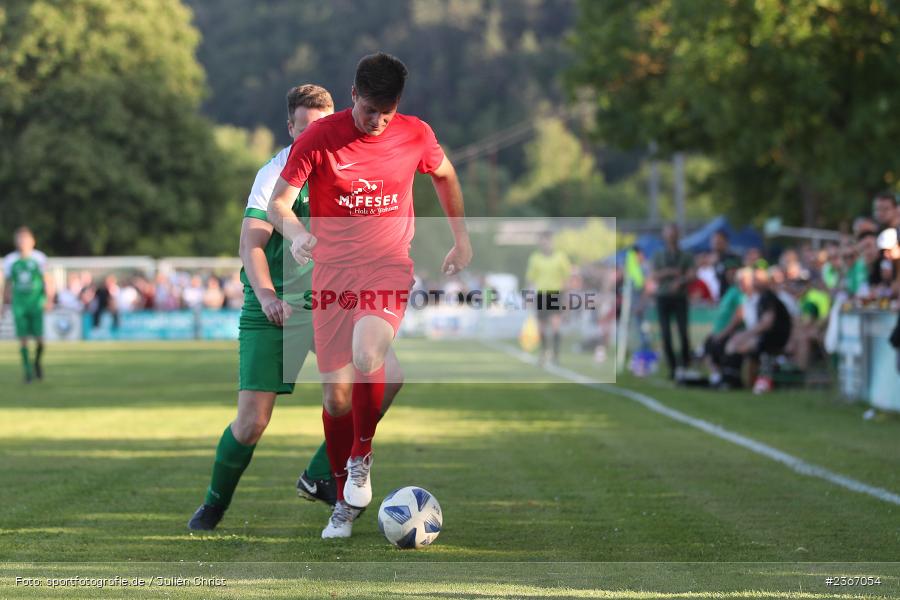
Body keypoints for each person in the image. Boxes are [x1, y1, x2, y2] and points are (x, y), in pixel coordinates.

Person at [268, 53, 472, 538]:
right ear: (353, 95)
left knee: (368, 353)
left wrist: (460, 237)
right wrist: (296, 233)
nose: (377, 121)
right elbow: (278, 203)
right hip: (332, 275)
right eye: (368, 110)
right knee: (336, 398)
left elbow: (444, 174)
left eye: (387, 110)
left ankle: (361, 455)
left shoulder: (415, 134)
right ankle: (342, 499)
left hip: (386, 265)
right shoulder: (319, 138)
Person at [188, 84, 408, 531]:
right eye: (305, 127)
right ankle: (214, 503)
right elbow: (251, 244)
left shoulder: (351, 168)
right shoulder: (274, 175)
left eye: (324, 124)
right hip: (276, 307)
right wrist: (267, 295)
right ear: (290, 129)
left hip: (333, 302)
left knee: (387, 380)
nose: (315, 134)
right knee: (251, 424)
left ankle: (318, 475)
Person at [725, 269, 792, 394]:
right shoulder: (758, 299)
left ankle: (739, 380)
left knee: (741, 345)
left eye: (758, 280)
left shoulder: (768, 297)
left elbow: (766, 324)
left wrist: (745, 335)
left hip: (775, 338)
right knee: (734, 343)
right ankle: (732, 378)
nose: (755, 283)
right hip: (767, 337)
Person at [1, 227, 53, 383]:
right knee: (23, 338)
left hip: (36, 303)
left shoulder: (39, 258)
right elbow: (8, 284)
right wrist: (4, 304)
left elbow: (48, 280)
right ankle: (27, 372)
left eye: (25, 239)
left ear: (32, 241)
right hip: (19, 304)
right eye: (19, 239)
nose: (22, 243)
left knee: (40, 340)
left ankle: (37, 362)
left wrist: (49, 299)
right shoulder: (11, 260)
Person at [651, 223, 694, 380]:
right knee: (666, 333)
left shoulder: (686, 256)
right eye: (668, 233)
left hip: (680, 298)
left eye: (673, 233)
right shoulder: (658, 255)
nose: (671, 236)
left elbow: (691, 274)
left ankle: (685, 364)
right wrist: (669, 272)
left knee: (683, 332)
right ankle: (673, 366)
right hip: (663, 298)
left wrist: (680, 281)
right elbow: (654, 275)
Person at [525, 230, 572, 365]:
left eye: (547, 241)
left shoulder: (560, 257)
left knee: (556, 324)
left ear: (551, 241)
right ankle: (544, 352)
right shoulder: (535, 258)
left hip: (555, 293)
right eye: (542, 241)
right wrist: (529, 295)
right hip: (541, 294)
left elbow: (567, 277)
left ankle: (556, 355)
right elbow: (530, 278)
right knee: (541, 327)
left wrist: (566, 295)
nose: (545, 244)